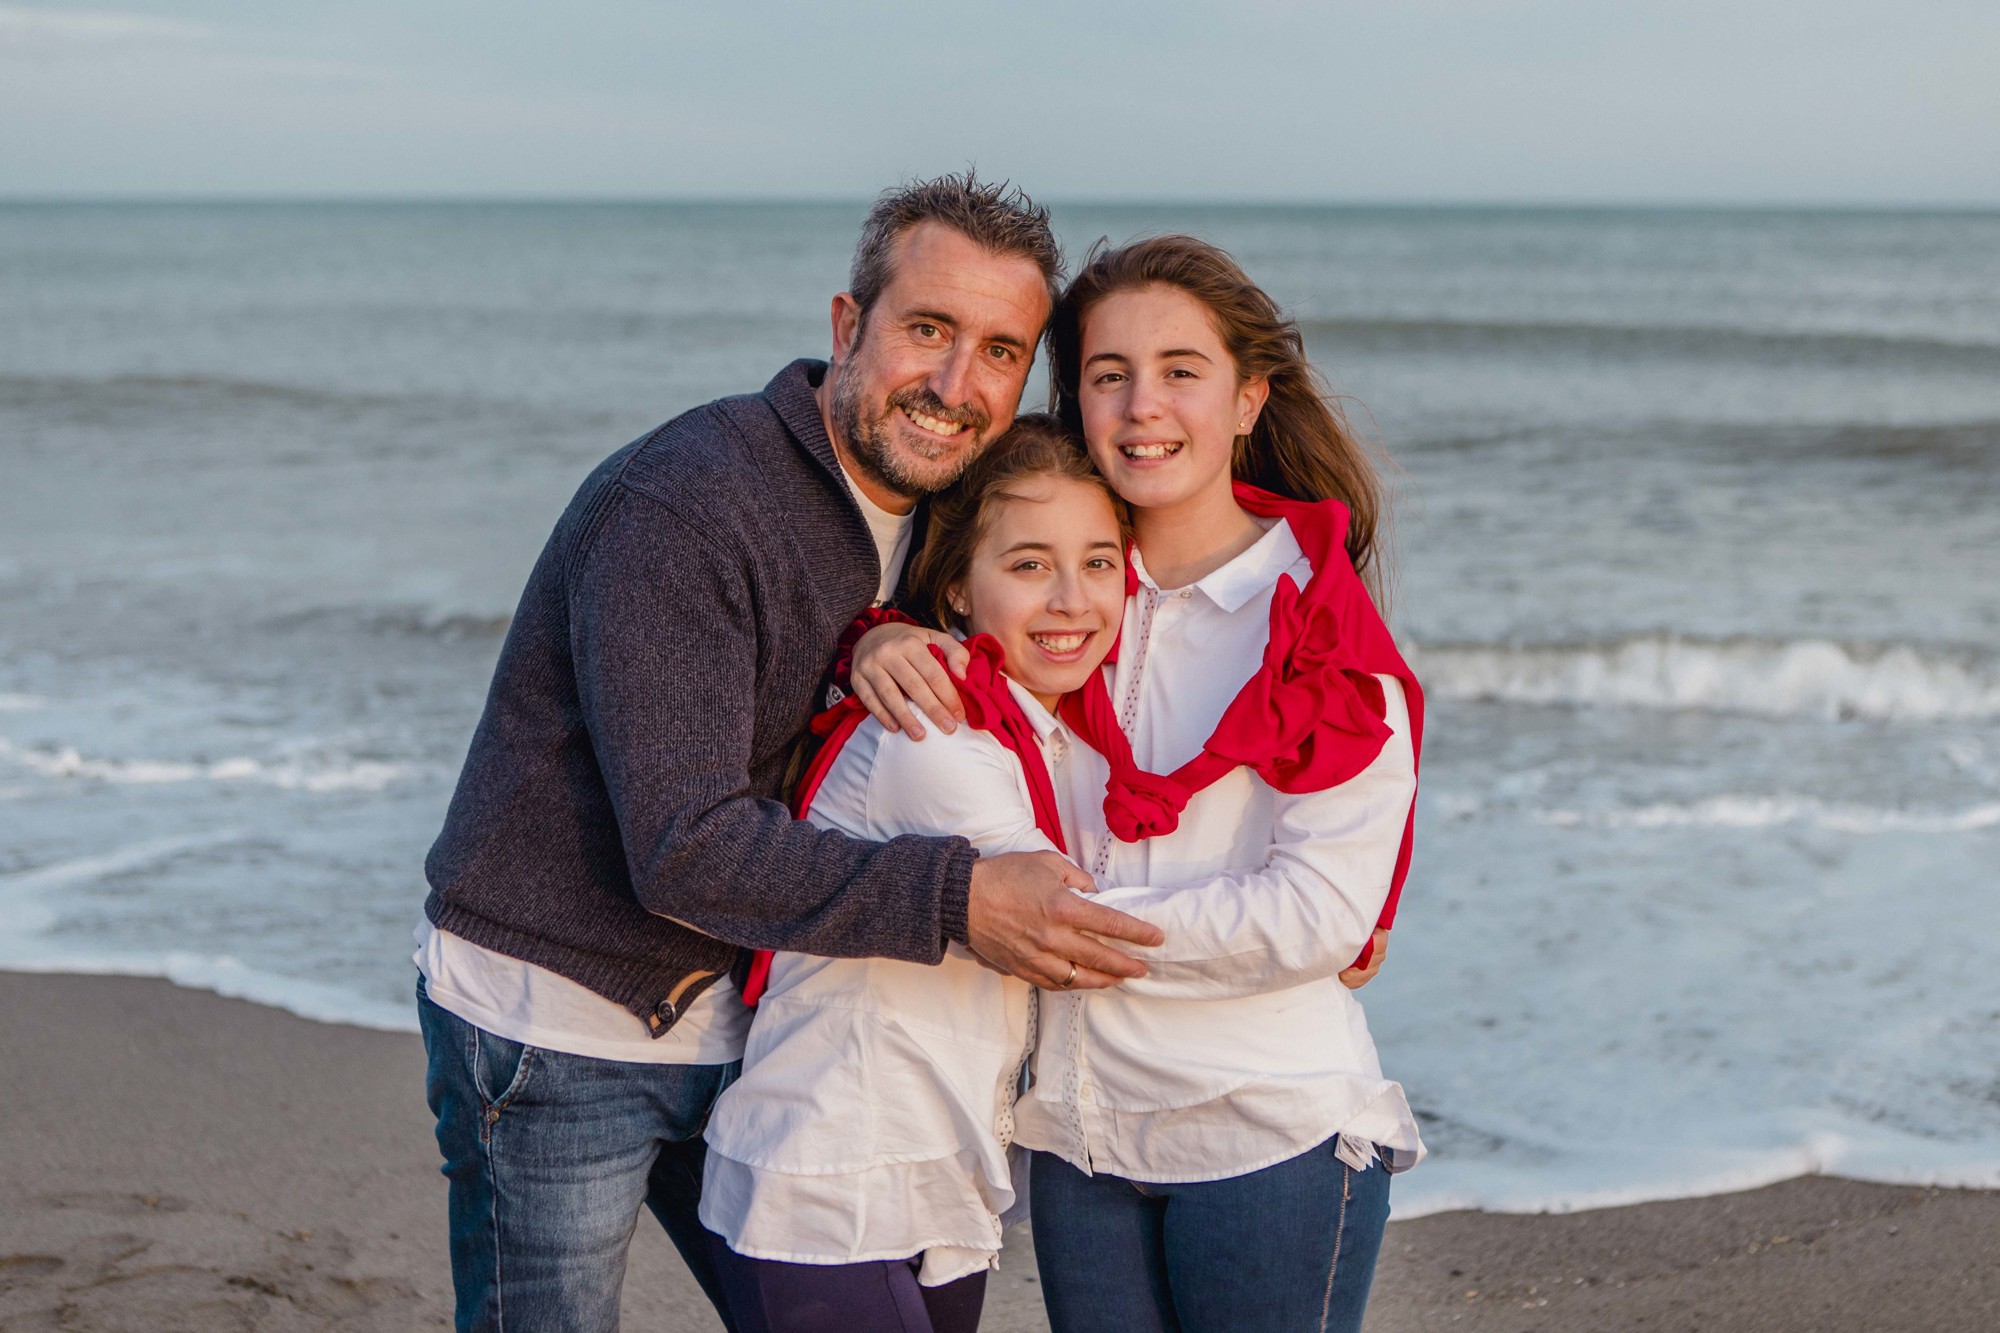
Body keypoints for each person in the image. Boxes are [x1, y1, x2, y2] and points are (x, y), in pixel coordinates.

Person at [412, 175, 1164, 1333]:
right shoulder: (688, 505)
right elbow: (684, 845)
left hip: (750, 1017)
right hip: (558, 1015)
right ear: (843, 327)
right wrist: (960, 897)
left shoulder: (943, 510)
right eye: (927, 330)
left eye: (1000, 351)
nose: (956, 386)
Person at [849, 235, 1424, 1333]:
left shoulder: (1319, 632)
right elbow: (969, 653)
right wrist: (881, 641)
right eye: (1107, 374)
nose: (1139, 405)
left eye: (1180, 370)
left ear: (1249, 395)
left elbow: (1317, 916)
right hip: (1078, 1129)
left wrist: (1054, 923)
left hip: (1263, 1123)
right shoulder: (1075, 588)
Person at [699, 415, 1129, 1333]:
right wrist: (1312, 912)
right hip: (834, 1170)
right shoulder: (936, 728)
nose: (1071, 599)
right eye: (1027, 565)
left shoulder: (1044, 733)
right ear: (959, 591)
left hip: (935, 1173)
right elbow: (1075, 923)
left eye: (1099, 562)